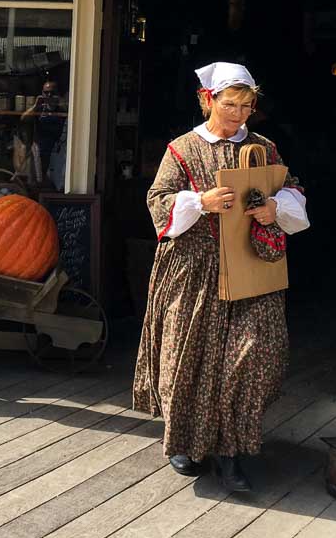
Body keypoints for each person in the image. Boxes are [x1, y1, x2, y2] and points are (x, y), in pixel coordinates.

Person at [133, 62, 310, 493]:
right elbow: (158, 202)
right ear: (207, 99)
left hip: (250, 270)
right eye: (230, 104)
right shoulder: (182, 149)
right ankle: (187, 443)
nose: (239, 114)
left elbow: (293, 189)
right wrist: (199, 201)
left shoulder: (264, 148)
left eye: (247, 106)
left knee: (248, 358)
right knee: (188, 359)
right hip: (193, 270)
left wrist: (276, 208)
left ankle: (231, 451)